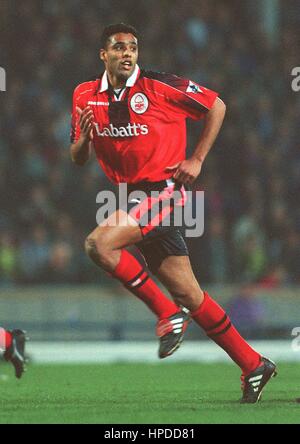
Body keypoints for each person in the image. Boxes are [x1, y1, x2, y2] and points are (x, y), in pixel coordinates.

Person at [70, 23, 276, 403]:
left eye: (132, 47)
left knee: (98, 245)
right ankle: (253, 364)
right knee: (191, 294)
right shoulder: (84, 95)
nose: (127, 53)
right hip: (132, 197)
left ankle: (167, 314)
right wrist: (82, 140)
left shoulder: (158, 86)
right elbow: (78, 157)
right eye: (118, 48)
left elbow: (216, 105)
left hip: (163, 192)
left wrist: (196, 159)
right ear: (104, 55)